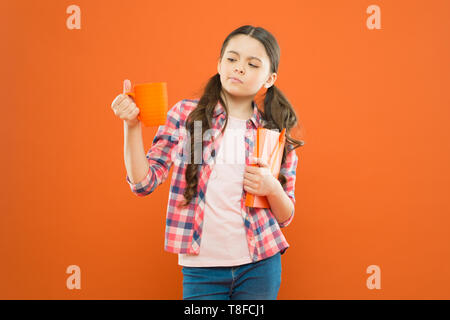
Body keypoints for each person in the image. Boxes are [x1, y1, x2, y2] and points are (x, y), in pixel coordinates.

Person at [110, 25, 304, 300]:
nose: (239, 68)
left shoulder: (272, 132)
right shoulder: (189, 117)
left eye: (252, 64)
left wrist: (272, 188)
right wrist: (131, 127)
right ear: (219, 63)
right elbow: (144, 183)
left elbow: (286, 217)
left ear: (269, 78)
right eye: (232, 59)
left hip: (260, 265)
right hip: (202, 271)